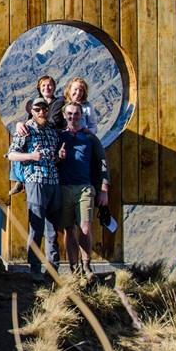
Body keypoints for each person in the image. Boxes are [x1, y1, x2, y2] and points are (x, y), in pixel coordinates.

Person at [6, 97, 63, 281]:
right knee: (36, 227)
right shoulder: (25, 130)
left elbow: (53, 157)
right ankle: (35, 269)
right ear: (32, 111)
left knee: (53, 229)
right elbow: (11, 154)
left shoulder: (52, 132)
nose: (41, 112)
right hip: (35, 181)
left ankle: (53, 269)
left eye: (44, 109)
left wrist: (59, 156)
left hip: (53, 181)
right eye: (37, 110)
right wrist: (31, 156)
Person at [57, 102, 110, 283]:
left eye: (76, 113)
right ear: (64, 115)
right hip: (64, 188)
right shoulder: (59, 136)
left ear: (82, 115)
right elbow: (50, 160)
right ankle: (74, 268)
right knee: (69, 229)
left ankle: (87, 265)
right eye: (70, 114)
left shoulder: (90, 138)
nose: (73, 117)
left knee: (85, 227)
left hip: (85, 188)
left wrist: (104, 188)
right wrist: (58, 157)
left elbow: (102, 162)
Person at [8, 75, 65, 196]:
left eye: (49, 85)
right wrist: (19, 124)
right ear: (39, 88)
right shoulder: (36, 103)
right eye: (43, 85)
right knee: (20, 144)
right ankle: (19, 179)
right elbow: (30, 122)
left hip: (54, 133)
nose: (47, 88)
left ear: (54, 87)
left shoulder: (60, 102)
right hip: (39, 135)